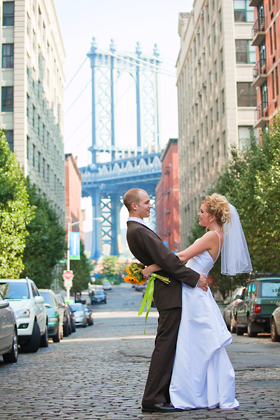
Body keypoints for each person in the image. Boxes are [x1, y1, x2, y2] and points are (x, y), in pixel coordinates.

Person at [142, 193, 252, 411]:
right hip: (194, 291)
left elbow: (181, 257)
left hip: (193, 295)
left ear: (212, 217)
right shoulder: (217, 234)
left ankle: (194, 394)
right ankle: (199, 392)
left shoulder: (212, 236)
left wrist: (150, 268)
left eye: (202, 212)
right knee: (195, 346)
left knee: (193, 346)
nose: (199, 215)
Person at [123, 188, 208, 414]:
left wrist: (152, 267)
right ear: (135, 206)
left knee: (170, 346)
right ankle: (152, 398)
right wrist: (194, 278)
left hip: (169, 291)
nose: (151, 205)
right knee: (165, 346)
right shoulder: (138, 230)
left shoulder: (138, 229)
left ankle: (166, 395)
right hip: (169, 293)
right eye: (147, 202)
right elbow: (167, 259)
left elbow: (162, 260)